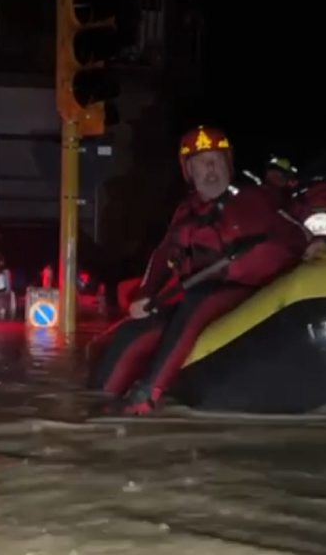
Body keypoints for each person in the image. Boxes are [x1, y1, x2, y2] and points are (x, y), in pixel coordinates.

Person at [91, 125, 309, 414]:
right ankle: (99, 400)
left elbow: (298, 231)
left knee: (199, 301)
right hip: (198, 289)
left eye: (217, 160)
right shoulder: (187, 212)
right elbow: (163, 255)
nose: (211, 169)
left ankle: (148, 394)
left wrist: (314, 243)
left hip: (246, 290)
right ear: (189, 171)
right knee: (136, 330)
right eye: (202, 162)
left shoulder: (257, 197)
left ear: (228, 165)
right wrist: (145, 294)